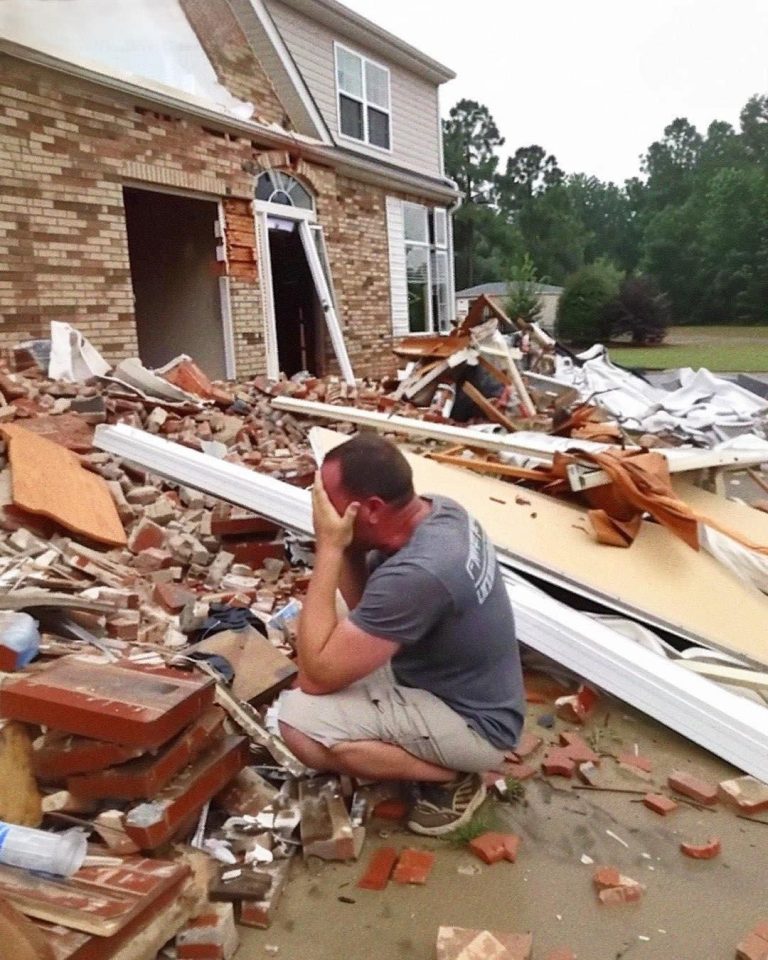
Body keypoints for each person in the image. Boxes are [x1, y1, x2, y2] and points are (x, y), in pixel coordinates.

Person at [277, 433, 525, 836]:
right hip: (463, 683)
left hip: (476, 724)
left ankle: (451, 778)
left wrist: (329, 547)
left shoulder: (419, 573)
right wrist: (350, 549)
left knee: (299, 723)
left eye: (329, 502)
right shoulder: (439, 512)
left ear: (371, 508)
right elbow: (365, 609)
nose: (322, 511)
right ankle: (421, 753)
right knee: (330, 619)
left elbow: (316, 678)